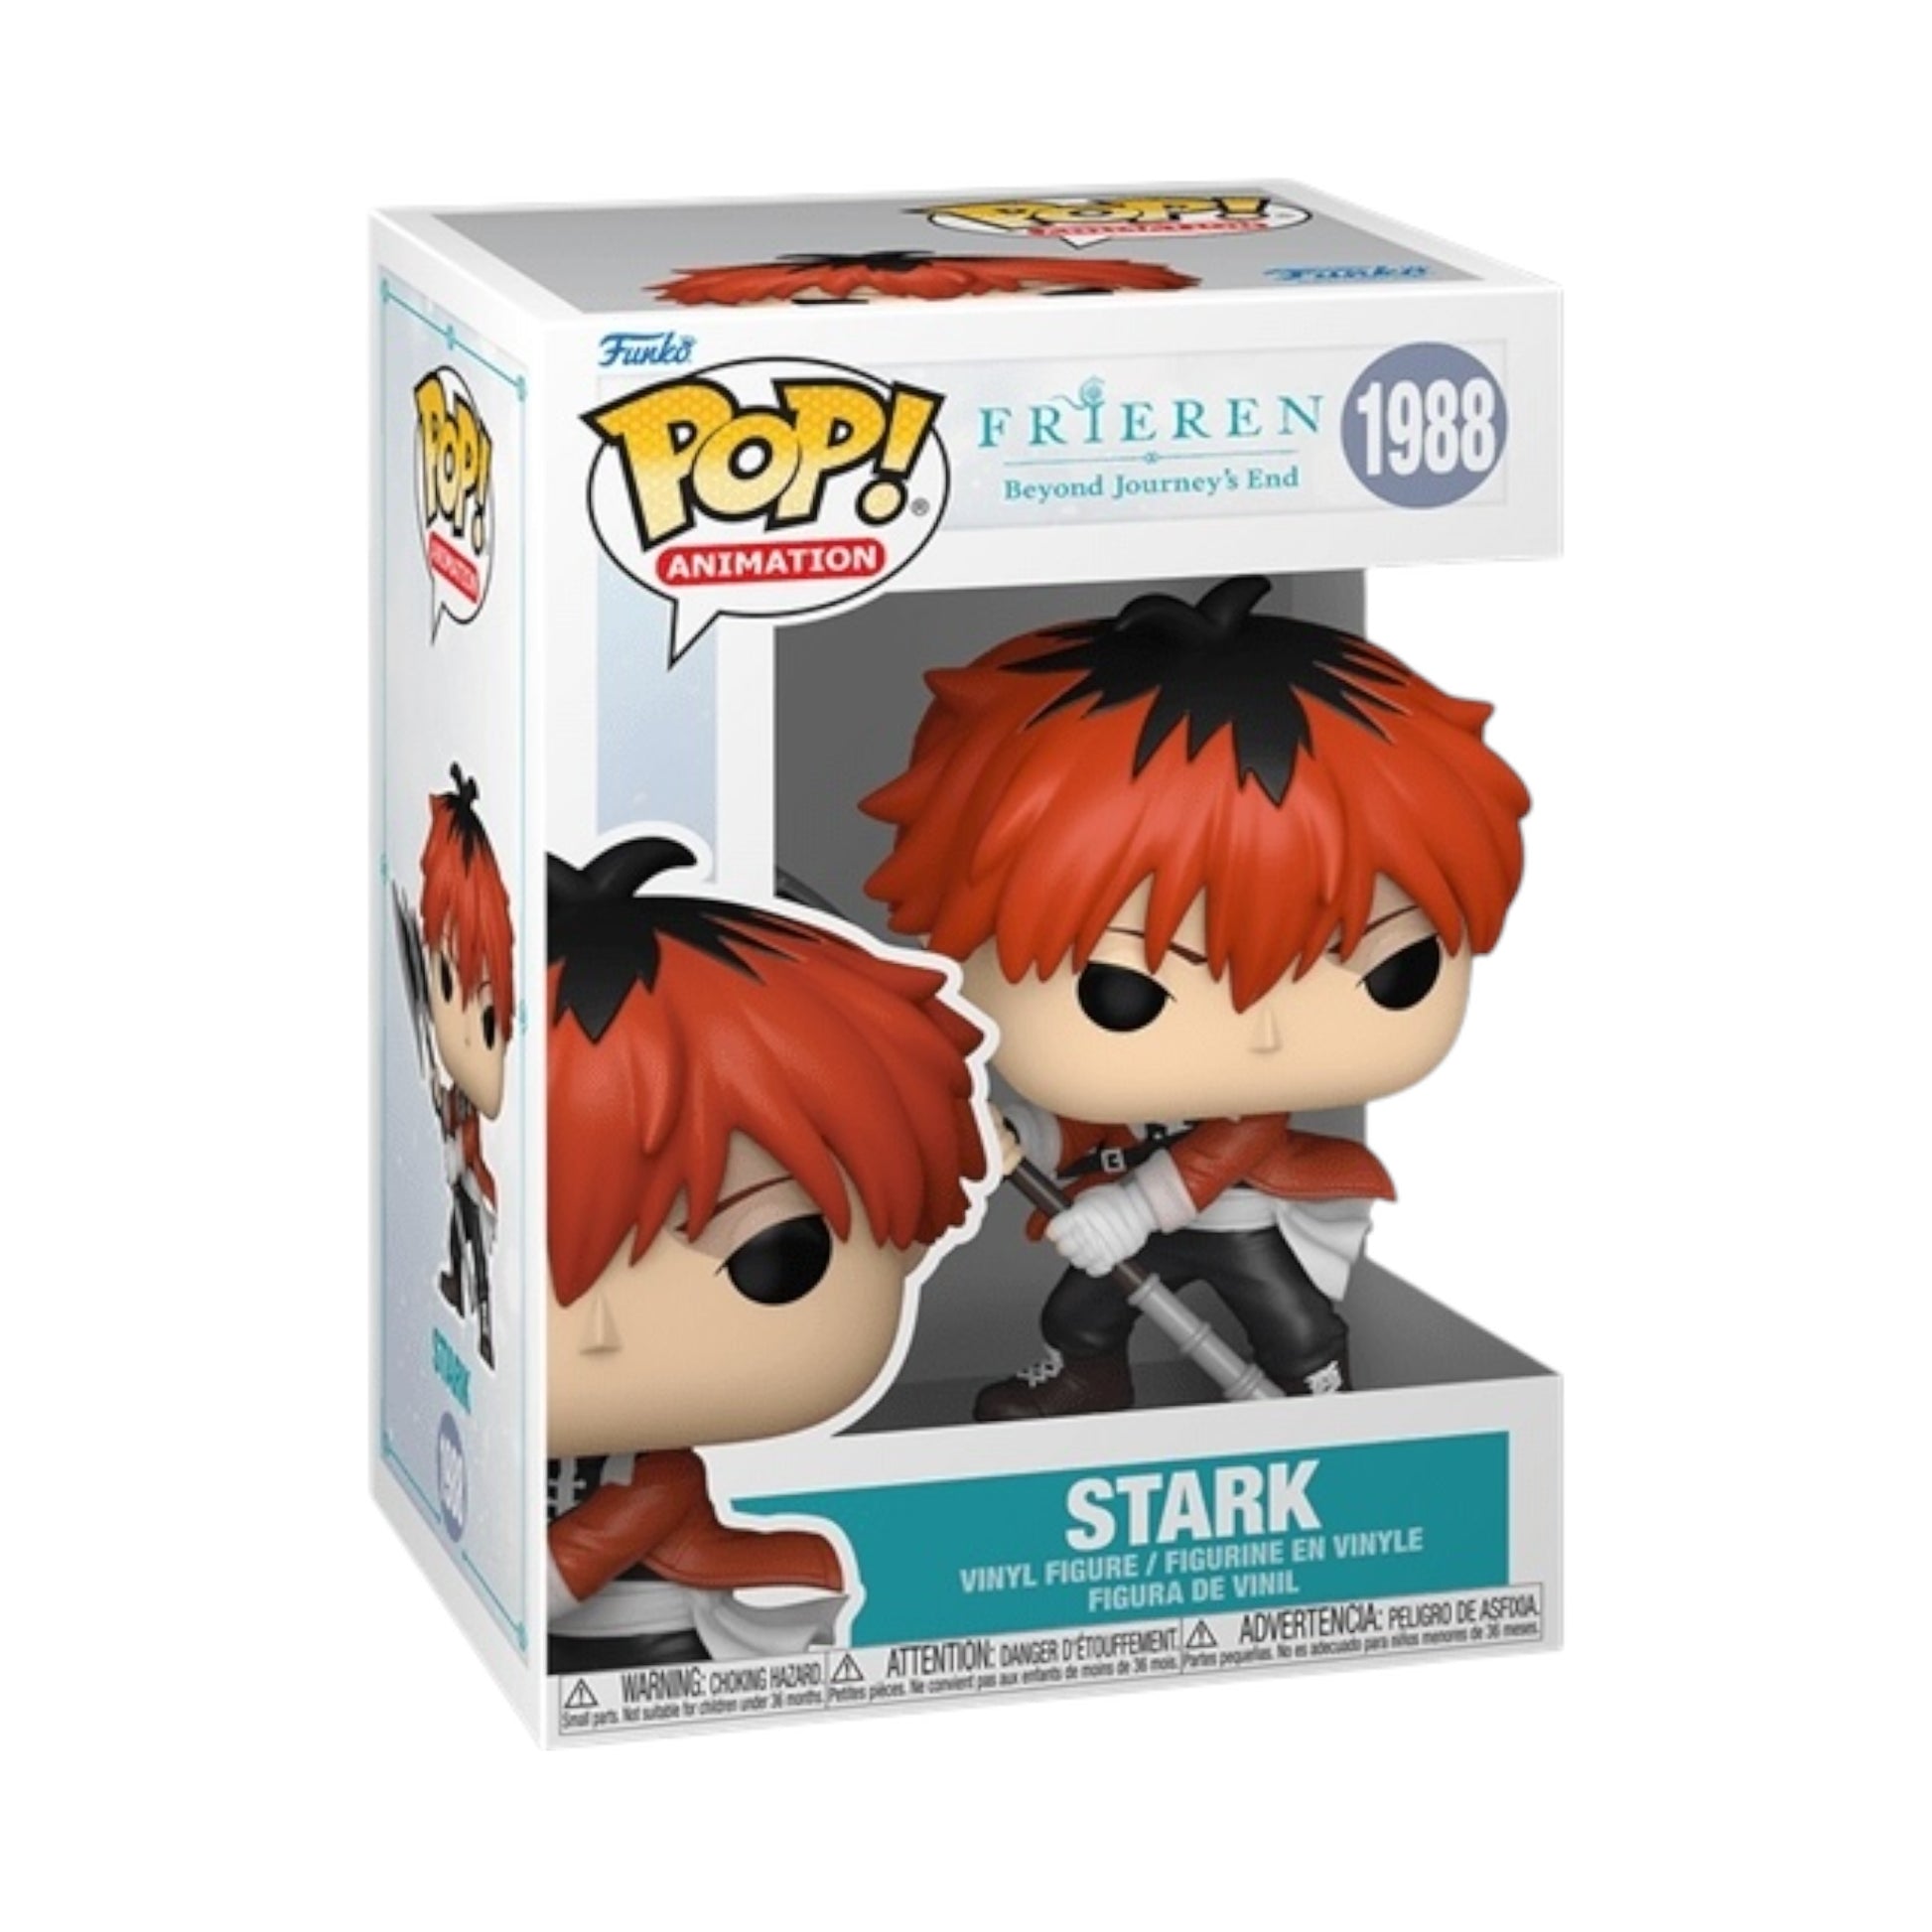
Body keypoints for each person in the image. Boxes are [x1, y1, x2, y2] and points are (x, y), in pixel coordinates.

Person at [863, 575, 1530, 1420]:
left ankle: (1319, 1392)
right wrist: (1018, 1136)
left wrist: (1134, 1210)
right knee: (1078, 1314)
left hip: (1236, 1217)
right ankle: (1086, 1378)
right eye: (1124, 990)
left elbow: (1238, 1137)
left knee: (1292, 1324)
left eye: (1394, 969)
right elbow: (1092, 1123)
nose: (1266, 1033)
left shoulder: (1248, 1103)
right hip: (1135, 1212)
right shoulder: (1120, 1088)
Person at [545, 835, 993, 1671]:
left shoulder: (652, 1474)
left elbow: (592, 1547)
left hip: (648, 1641)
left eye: (773, 1255)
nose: (599, 1328)